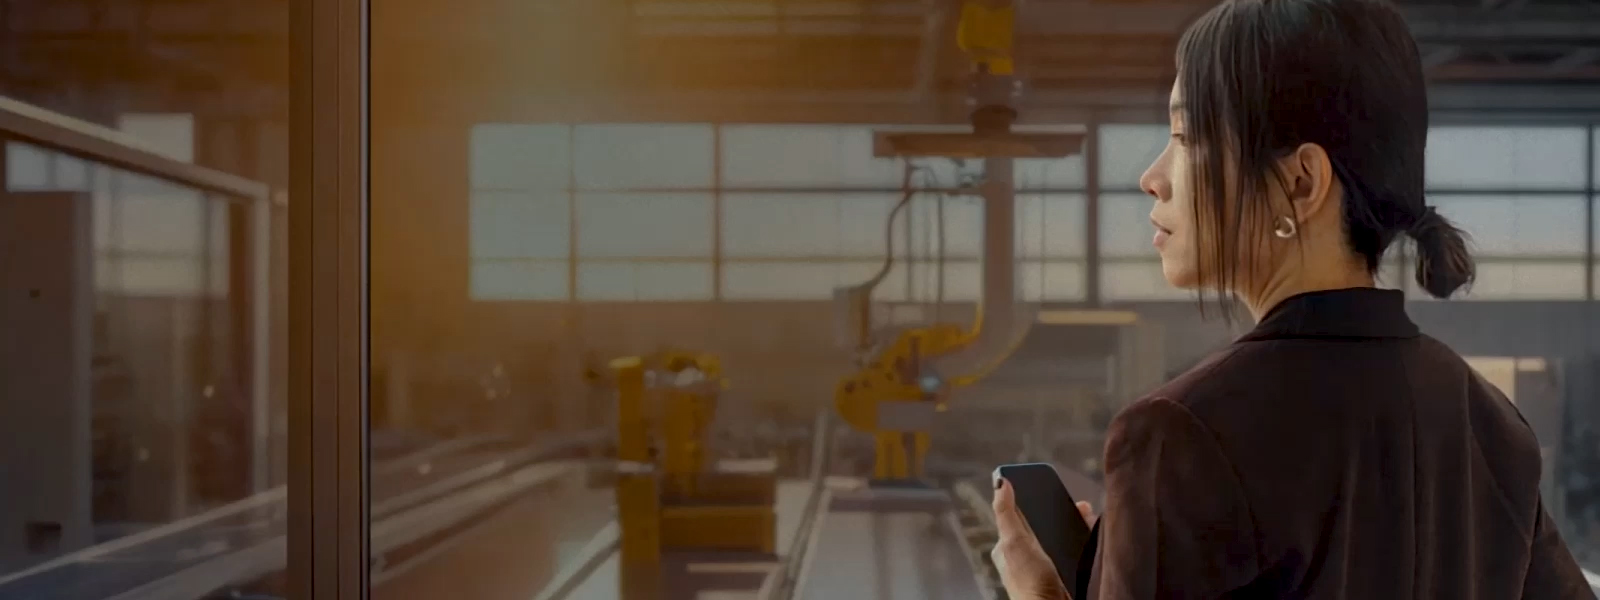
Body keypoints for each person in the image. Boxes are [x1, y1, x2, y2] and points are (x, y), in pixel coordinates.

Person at [989, 0, 1595, 598]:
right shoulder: (1488, 423)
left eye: (1183, 135)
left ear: (1301, 182)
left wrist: (1042, 595)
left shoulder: (1181, 437)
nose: (1153, 174)